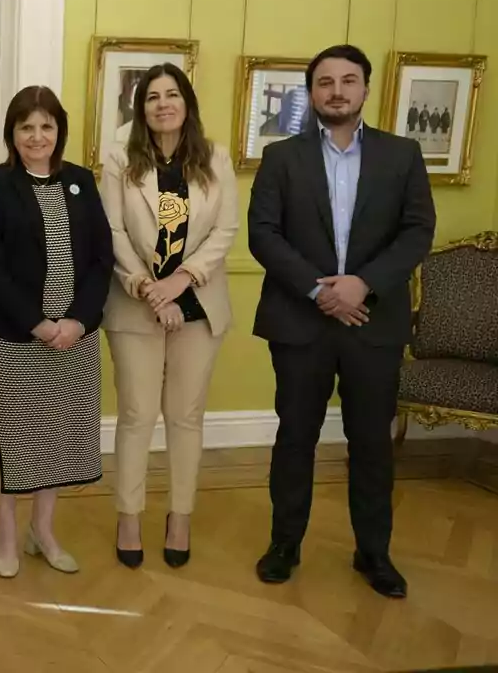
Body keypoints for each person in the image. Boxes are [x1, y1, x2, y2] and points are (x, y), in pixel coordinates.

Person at [248, 44, 435, 598]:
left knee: (372, 443)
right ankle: (285, 544)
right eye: (325, 82)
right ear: (312, 93)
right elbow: (264, 234)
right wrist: (319, 290)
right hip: (299, 323)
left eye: (348, 80)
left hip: (373, 324)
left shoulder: (403, 155)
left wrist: (363, 284)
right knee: (295, 439)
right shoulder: (282, 157)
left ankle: (374, 553)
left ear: (365, 89)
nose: (336, 90)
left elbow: (417, 231)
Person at [0, 85, 114, 578]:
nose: (37, 136)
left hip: (73, 338)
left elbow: (100, 259)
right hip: (15, 336)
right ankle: (7, 534)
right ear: (13, 132)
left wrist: (77, 320)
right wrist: (37, 322)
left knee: (59, 436)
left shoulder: (80, 181)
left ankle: (43, 531)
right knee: (13, 436)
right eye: (26, 127)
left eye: (46, 126)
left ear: (59, 131)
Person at [99, 63, 238, 569]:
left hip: (198, 304)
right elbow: (112, 231)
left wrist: (180, 284)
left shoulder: (215, 158)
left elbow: (225, 229)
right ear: (141, 110)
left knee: (185, 416)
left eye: (171, 94)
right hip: (136, 301)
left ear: (187, 103)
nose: (162, 103)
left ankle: (180, 515)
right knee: (137, 414)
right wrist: (148, 288)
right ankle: (129, 515)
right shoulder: (120, 160)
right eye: (152, 96)